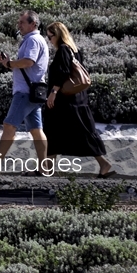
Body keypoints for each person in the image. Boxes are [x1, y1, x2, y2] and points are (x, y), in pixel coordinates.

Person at [43, 21, 114, 177]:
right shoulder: (75, 50)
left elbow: (63, 72)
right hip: (77, 99)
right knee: (77, 132)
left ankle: (103, 163)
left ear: (58, 35)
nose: (49, 40)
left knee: (54, 131)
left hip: (64, 100)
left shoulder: (62, 50)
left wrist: (53, 92)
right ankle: (48, 167)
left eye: (50, 36)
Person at [0, 10, 49, 174]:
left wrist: (10, 64)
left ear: (33, 24)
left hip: (25, 93)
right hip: (34, 92)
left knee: (9, 126)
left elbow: (28, 62)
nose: (19, 25)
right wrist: (9, 63)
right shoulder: (36, 40)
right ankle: (44, 167)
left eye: (22, 22)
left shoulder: (32, 41)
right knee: (36, 130)